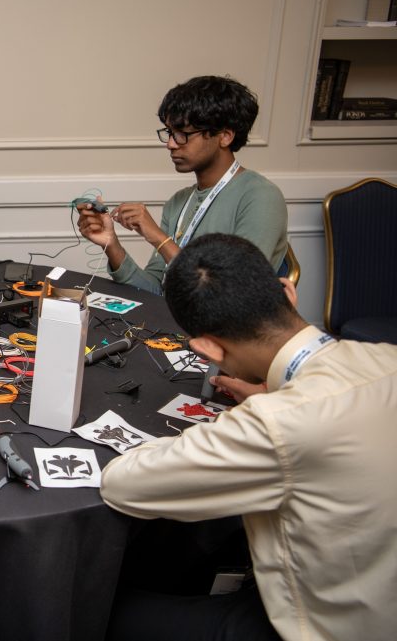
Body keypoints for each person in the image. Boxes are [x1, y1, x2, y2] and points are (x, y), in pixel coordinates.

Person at [100, 233, 397, 641]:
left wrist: (256, 416)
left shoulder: (277, 423)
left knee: (100, 611)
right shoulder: (386, 354)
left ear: (209, 348)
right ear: (287, 291)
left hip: (321, 629)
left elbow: (123, 483)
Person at [77, 75, 287, 295]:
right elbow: (154, 293)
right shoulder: (178, 202)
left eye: (182, 134)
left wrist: (159, 238)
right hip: (177, 324)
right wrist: (111, 245)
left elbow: (231, 293)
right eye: (169, 132)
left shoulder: (261, 197)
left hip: (226, 328)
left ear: (224, 136)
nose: (170, 144)